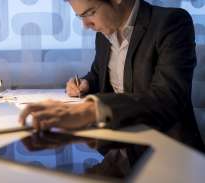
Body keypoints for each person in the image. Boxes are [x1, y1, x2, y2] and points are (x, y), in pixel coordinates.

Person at [20, 0, 205, 151]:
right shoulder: (104, 33)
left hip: (167, 150)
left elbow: (168, 98)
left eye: (89, 13)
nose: (85, 25)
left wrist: (91, 110)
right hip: (120, 141)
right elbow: (99, 74)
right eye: (80, 16)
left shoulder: (171, 22)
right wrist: (85, 83)